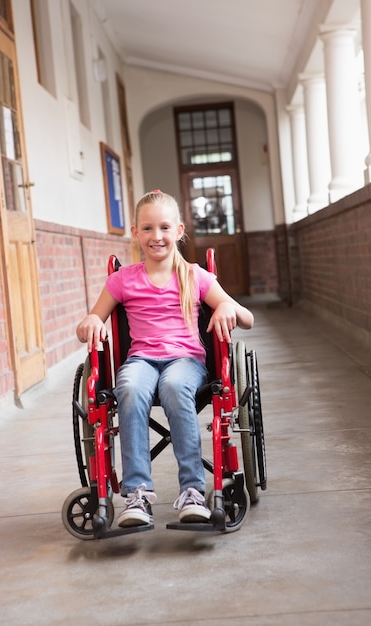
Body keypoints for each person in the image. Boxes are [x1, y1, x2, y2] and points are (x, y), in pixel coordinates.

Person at [76, 190, 254, 528]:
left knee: (173, 386)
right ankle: (137, 495)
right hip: (141, 361)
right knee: (127, 387)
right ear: (135, 233)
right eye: (147, 229)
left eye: (164, 228)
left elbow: (248, 318)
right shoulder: (122, 280)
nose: (156, 236)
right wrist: (91, 321)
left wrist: (228, 306)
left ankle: (192, 491)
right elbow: (93, 320)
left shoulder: (195, 276)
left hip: (185, 361)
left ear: (179, 230)